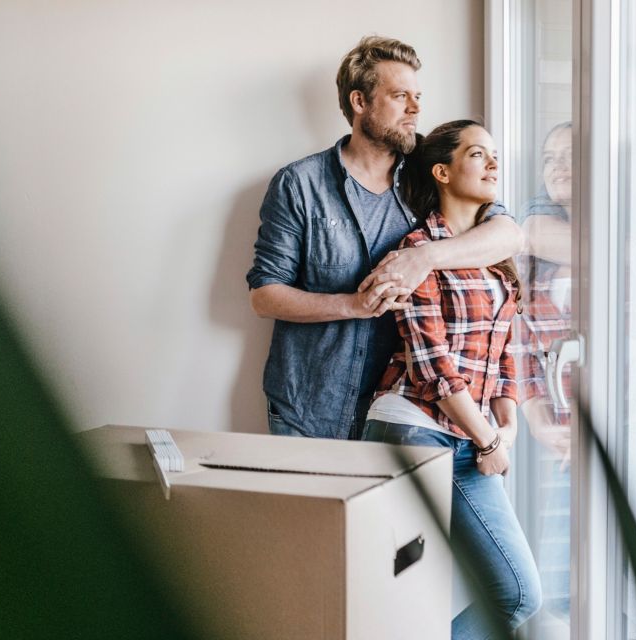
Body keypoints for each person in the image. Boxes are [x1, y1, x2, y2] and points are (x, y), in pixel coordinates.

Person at [245, 36, 523, 440]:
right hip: (306, 407)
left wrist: (423, 258)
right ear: (360, 102)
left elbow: (509, 235)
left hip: (401, 415)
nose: (416, 108)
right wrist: (353, 305)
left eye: (417, 96)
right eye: (400, 96)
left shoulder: (428, 174)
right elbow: (264, 296)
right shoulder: (299, 184)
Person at [362, 120, 542, 639]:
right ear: (442, 171)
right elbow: (432, 365)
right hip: (411, 429)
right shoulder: (413, 254)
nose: (493, 164)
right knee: (409, 593)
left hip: (467, 434)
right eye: (477, 154)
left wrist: (505, 418)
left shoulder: (493, 252)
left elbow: (505, 346)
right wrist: (487, 438)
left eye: (494, 155)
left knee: (514, 593)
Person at [516, 121, 573, 626]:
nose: (558, 166)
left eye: (572, 154)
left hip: (625, 432)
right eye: (550, 157)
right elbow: (524, 348)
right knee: (554, 591)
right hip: (558, 439)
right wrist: (538, 420)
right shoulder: (538, 248)